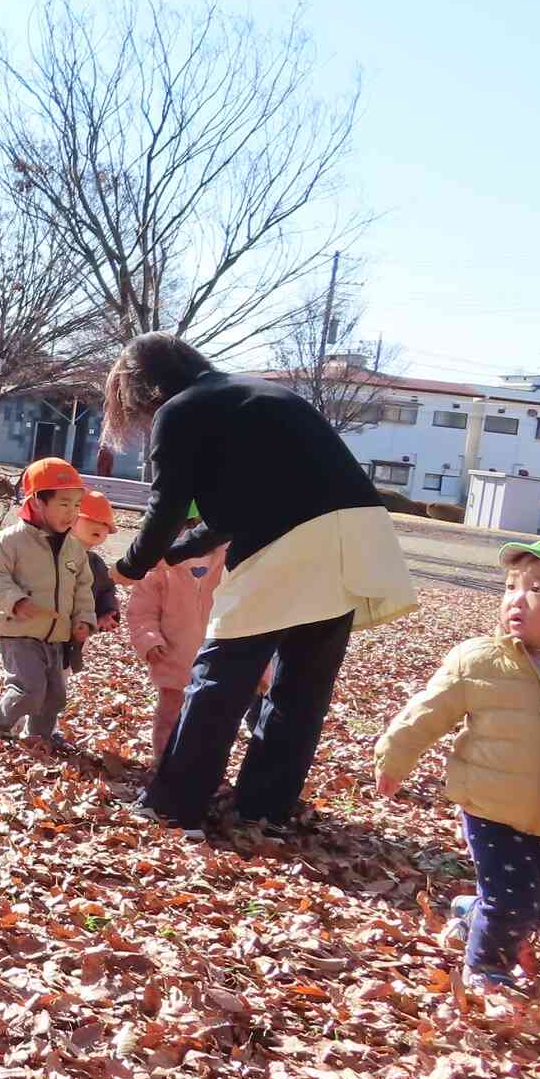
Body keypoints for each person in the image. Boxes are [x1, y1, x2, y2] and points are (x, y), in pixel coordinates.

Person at [104, 333, 417, 830]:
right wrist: (174, 555)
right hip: (360, 535)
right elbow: (237, 510)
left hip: (291, 540)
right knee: (302, 686)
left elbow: (166, 508)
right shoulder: (259, 398)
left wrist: (131, 565)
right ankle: (264, 809)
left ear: (142, 387)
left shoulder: (180, 411)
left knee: (220, 674)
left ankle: (173, 803)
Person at [374, 535, 540, 992]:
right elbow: (427, 711)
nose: (516, 599)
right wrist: (396, 755)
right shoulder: (480, 661)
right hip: (490, 808)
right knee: (512, 900)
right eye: (511, 586)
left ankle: (471, 911)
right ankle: (487, 969)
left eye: (537, 589)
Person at [129, 503, 274, 755]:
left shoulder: (232, 561)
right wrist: (149, 639)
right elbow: (142, 610)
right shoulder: (160, 569)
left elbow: (253, 612)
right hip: (173, 658)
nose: (187, 534)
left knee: (210, 720)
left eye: (194, 527)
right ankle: (164, 762)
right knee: (169, 716)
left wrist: (262, 668)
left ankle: (197, 765)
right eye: (181, 529)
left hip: (219, 664)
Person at [0, 457, 98, 747]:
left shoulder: (73, 548)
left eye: (76, 505)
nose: (72, 512)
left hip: (55, 635)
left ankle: (39, 736)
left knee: (55, 696)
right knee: (30, 689)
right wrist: (16, 601)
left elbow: (83, 587)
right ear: (37, 501)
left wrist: (84, 618)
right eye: (63, 503)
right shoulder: (11, 540)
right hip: (17, 630)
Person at [64, 488, 122, 673]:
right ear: (72, 520)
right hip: (43, 632)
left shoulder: (96, 564)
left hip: (74, 640)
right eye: (92, 520)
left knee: (60, 681)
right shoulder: (53, 554)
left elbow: (106, 590)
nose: (99, 527)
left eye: (104, 524)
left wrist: (106, 612)